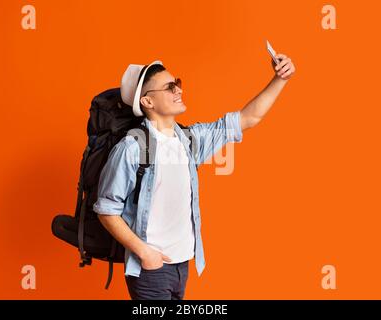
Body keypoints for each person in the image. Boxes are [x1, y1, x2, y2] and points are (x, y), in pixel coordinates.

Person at [93, 55, 296, 300]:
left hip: (182, 265)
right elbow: (106, 209)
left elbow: (247, 119)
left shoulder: (189, 141)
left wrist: (280, 78)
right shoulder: (133, 147)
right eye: (169, 87)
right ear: (147, 100)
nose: (178, 89)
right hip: (151, 271)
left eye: (176, 82)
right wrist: (145, 254)